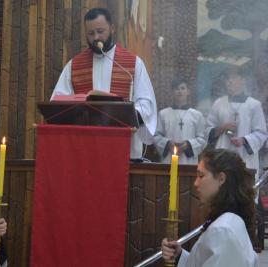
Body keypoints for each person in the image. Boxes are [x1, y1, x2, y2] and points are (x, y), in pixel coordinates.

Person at [51, 7, 157, 159]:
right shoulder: (74, 66)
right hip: (84, 149)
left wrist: (128, 114)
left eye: (100, 31)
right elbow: (58, 102)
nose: (96, 38)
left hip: (123, 151)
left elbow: (146, 104)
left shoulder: (132, 64)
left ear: (112, 29)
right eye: (91, 33)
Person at [161, 149, 257, 266]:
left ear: (221, 178)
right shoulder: (228, 222)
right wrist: (179, 255)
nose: (196, 183)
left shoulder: (223, 230)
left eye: (201, 176)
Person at [206, 66, 268, 178]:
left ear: (243, 79)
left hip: (245, 157)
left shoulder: (254, 105)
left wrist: (244, 140)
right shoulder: (218, 103)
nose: (229, 81)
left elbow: (261, 133)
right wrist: (221, 128)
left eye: (233, 77)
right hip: (222, 155)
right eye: (227, 78)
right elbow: (207, 130)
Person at [154, 79, 206, 164]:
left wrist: (188, 144)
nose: (180, 91)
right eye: (176, 89)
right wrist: (168, 143)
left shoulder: (197, 115)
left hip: (188, 161)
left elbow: (203, 138)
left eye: (183, 88)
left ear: (188, 91)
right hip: (169, 159)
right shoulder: (163, 114)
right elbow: (156, 136)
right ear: (172, 92)